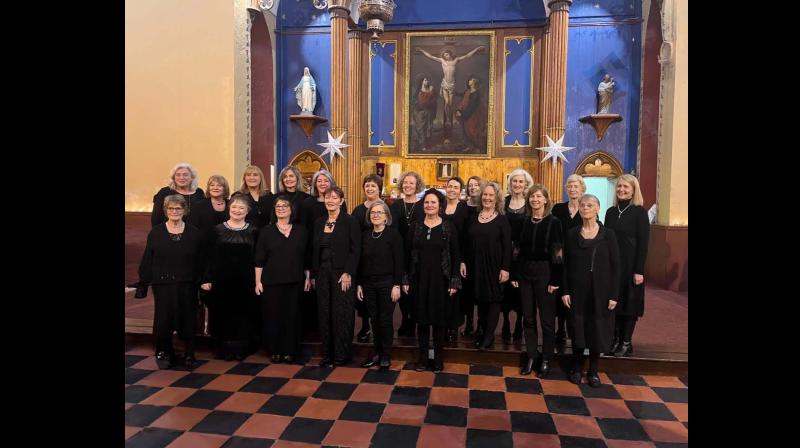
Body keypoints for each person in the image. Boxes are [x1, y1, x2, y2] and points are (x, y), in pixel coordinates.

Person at [138, 195, 204, 369]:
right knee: (163, 319)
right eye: (171, 209)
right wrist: (144, 281)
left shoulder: (194, 233)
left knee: (188, 318)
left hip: (187, 283)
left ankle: (189, 353)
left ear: (185, 210)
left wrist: (204, 280)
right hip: (163, 283)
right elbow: (148, 258)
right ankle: (165, 352)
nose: (174, 211)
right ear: (166, 211)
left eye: (178, 208)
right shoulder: (156, 232)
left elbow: (201, 260)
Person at [562, 194, 620, 387]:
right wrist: (565, 290)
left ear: (597, 208)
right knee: (578, 328)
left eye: (590, 205)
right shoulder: (571, 234)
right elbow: (565, 264)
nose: (585, 208)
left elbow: (616, 266)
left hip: (601, 291)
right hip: (577, 290)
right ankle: (577, 367)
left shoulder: (608, 235)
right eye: (582, 205)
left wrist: (613, 294)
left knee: (598, 329)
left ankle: (593, 370)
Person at [403, 189, 461, 373]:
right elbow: (407, 254)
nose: (429, 205)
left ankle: (437, 359)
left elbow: (455, 255)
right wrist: (405, 279)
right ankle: (422, 359)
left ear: (440, 205)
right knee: (422, 320)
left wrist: (454, 281)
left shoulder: (448, 227)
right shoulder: (415, 226)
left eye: (433, 202)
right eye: (427, 202)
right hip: (419, 279)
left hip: (440, 280)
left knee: (438, 321)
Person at [511, 185, 563, 377]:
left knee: (547, 320)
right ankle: (532, 355)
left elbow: (558, 252)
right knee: (528, 318)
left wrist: (555, 279)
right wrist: (515, 274)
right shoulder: (522, 221)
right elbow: (516, 250)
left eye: (539, 196)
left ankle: (547, 358)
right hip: (524, 273)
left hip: (545, 273)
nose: (535, 200)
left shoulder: (554, 222)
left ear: (546, 200)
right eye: (532, 196)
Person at [201, 195, 261, 361]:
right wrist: (206, 279)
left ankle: (241, 349)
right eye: (234, 207)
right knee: (223, 314)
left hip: (246, 281)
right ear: (229, 209)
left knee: (243, 315)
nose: (237, 210)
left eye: (242, 208)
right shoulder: (217, 230)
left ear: (247, 211)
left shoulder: (254, 231)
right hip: (222, 281)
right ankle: (223, 349)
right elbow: (210, 257)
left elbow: (258, 257)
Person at [255, 195, 310, 363]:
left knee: (292, 316)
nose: (281, 208)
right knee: (273, 316)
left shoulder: (301, 230)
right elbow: (259, 258)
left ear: (291, 209)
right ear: (274, 210)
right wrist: (258, 282)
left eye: (285, 206)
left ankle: (290, 350)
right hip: (271, 281)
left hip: (295, 280)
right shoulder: (266, 231)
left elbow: (306, 256)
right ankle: (275, 350)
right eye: (278, 206)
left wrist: (308, 277)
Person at [311, 187, 361, 367]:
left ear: (341, 201)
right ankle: (327, 354)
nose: (330, 200)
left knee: (342, 314)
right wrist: (314, 273)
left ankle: (342, 354)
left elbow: (355, 250)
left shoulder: (350, 221)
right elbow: (314, 249)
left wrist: (348, 272)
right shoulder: (319, 222)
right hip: (322, 273)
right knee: (324, 312)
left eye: (334, 198)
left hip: (342, 274)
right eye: (327, 197)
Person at [603, 174, 649, 357]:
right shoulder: (611, 212)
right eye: (619, 186)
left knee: (629, 304)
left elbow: (644, 243)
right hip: (614, 265)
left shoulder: (639, 212)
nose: (621, 190)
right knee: (615, 302)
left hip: (631, 266)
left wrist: (639, 270)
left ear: (633, 190)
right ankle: (614, 340)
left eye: (626, 187)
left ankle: (626, 342)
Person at [357, 200, 404, 370]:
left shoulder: (393, 235)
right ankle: (376, 353)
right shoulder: (365, 235)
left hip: (387, 283)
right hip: (368, 283)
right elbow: (360, 262)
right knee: (374, 320)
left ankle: (386, 355)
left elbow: (399, 262)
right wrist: (360, 284)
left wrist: (397, 285)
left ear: (386, 217)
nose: (375, 215)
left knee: (385, 320)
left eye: (379, 212)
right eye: (373, 213)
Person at [465, 182, 512, 350]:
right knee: (481, 300)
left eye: (491, 195)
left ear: (497, 198)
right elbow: (466, 241)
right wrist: (464, 261)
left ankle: (489, 336)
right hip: (476, 265)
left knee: (493, 300)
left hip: (495, 266)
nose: (487, 198)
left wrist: (505, 268)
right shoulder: (473, 217)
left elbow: (508, 246)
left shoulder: (502, 219)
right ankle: (482, 330)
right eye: (485, 195)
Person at [189, 175, 231, 338]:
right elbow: (192, 230)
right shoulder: (200, 206)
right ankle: (200, 330)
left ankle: (219, 330)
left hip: (225, 255)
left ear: (224, 188)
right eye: (212, 185)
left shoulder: (230, 205)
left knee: (222, 294)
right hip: (204, 255)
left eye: (219, 185)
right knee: (203, 293)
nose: (215, 187)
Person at [417, 46, 485, 142]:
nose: (446, 56)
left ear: (450, 54)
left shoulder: (455, 60)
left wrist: (476, 49)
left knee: (451, 104)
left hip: (452, 84)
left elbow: (467, 55)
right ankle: (448, 120)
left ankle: (450, 119)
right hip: (445, 83)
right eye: (444, 55)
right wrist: (422, 50)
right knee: (447, 102)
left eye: (447, 54)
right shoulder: (442, 61)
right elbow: (430, 56)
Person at [551, 174, 587, 351]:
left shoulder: (586, 208)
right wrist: (558, 258)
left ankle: (576, 329)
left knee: (575, 293)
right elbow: (554, 235)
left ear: (582, 189)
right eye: (570, 186)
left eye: (576, 186)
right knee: (559, 294)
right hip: (560, 256)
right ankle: (560, 329)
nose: (572, 189)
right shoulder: (558, 208)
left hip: (579, 258)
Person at [389, 171, 426, 337]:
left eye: (411, 183)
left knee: (416, 288)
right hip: (399, 251)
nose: (408, 185)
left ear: (417, 185)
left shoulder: (424, 205)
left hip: (419, 252)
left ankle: (415, 320)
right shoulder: (395, 205)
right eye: (405, 183)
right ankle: (406, 319)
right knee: (402, 286)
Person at [351, 174, 385, 342]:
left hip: (381, 258)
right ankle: (365, 325)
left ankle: (378, 327)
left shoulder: (387, 208)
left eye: (373, 186)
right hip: (363, 256)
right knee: (363, 294)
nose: (370, 188)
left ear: (380, 188)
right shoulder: (358, 210)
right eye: (367, 186)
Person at [502, 168, 535, 343]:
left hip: (523, 253)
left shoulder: (530, 204)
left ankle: (519, 325)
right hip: (504, 252)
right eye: (514, 181)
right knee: (504, 291)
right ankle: (506, 322)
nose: (517, 184)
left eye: (521, 182)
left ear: (526, 184)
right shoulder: (504, 202)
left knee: (521, 292)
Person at [443, 176, 468, 343]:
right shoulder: (440, 206)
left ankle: (453, 327)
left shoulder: (465, 208)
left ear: (461, 190)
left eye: (455, 187)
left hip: (458, 255)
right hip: (441, 256)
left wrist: (462, 260)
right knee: (442, 292)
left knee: (455, 293)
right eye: (449, 186)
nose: (452, 189)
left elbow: (467, 236)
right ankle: (442, 325)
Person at [460, 175, 483, 337]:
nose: (473, 188)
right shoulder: (462, 207)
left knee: (480, 292)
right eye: (470, 185)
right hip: (466, 254)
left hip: (482, 255)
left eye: (476, 185)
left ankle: (481, 325)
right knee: (467, 293)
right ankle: (469, 323)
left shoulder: (485, 206)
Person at [233, 165, 274, 231]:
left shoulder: (269, 195)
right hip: (244, 235)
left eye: (255, 175)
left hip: (265, 235)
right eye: (248, 175)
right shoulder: (237, 196)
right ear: (244, 179)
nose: (252, 177)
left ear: (261, 178)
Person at [455, 76, 486, 151]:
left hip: (473, 116)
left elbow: (471, 107)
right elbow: (463, 95)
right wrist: (455, 93)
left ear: (474, 82)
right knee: (466, 130)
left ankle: (477, 147)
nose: (469, 80)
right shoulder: (468, 92)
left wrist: (462, 113)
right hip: (467, 114)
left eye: (471, 79)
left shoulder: (476, 94)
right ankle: (469, 146)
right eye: (469, 79)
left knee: (473, 131)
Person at [411, 76, 437, 151]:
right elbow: (417, 102)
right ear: (422, 81)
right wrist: (419, 106)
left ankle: (426, 144)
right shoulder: (419, 91)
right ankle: (422, 144)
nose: (427, 81)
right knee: (421, 128)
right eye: (425, 80)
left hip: (428, 112)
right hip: (419, 112)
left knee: (428, 128)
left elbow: (433, 102)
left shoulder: (430, 90)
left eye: (427, 80)